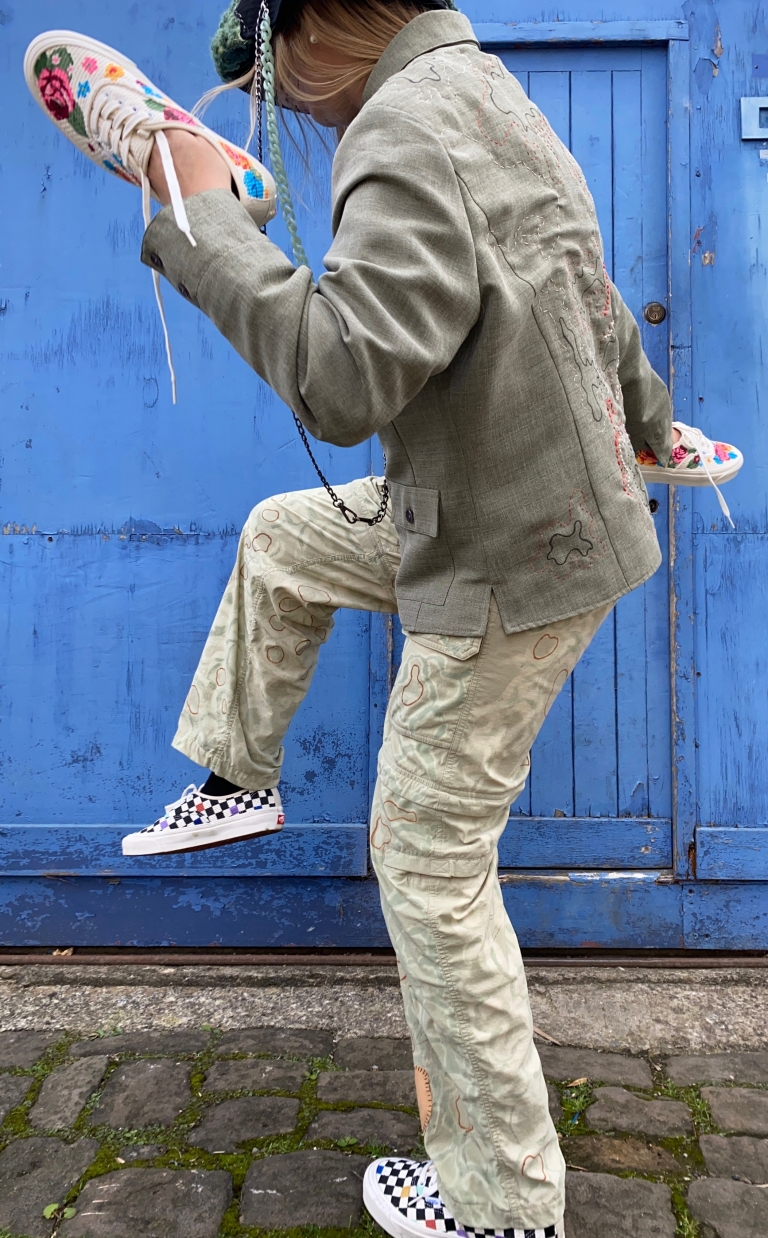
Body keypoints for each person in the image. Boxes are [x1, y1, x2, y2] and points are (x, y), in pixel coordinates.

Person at [24, 4, 742, 1235]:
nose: (288, 102)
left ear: (312, 31)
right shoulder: (488, 93)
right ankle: (239, 776)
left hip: (508, 557)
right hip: (507, 500)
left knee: (429, 862)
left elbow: (341, 380)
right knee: (280, 535)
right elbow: (587, 284)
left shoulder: (401, 130)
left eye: (272, 74)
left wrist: (195, 220)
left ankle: (503, 1197)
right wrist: (647, 418)